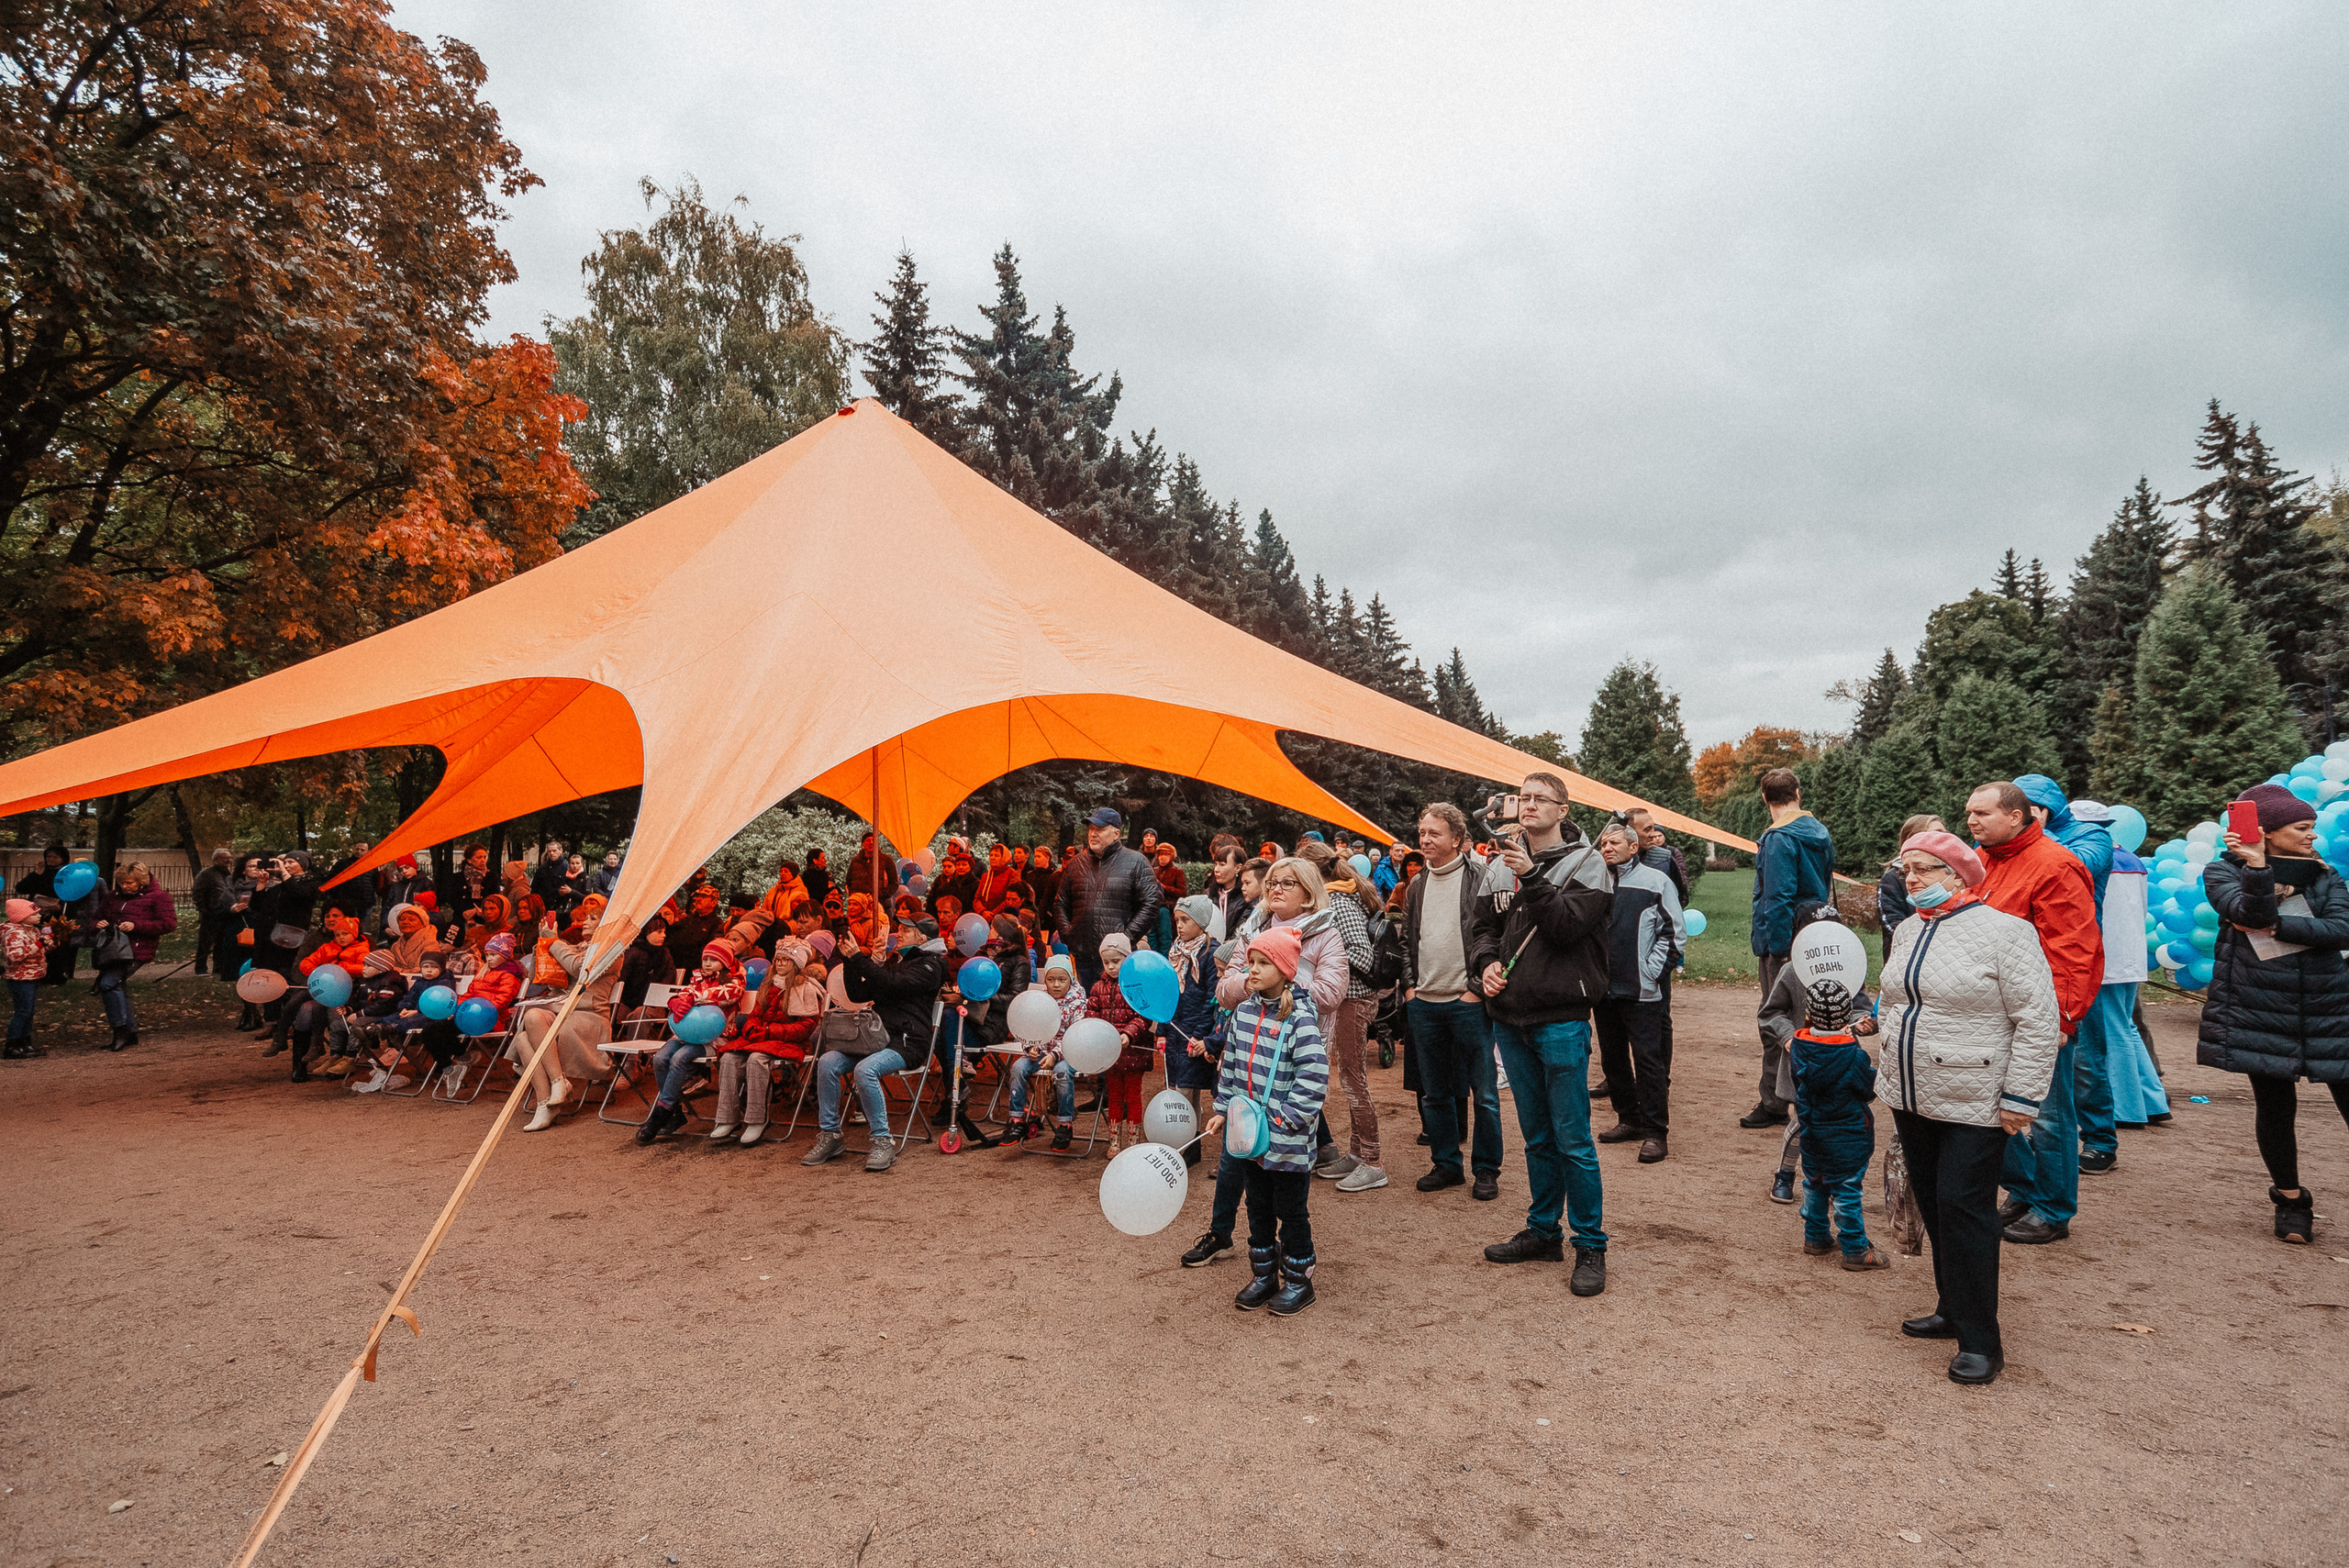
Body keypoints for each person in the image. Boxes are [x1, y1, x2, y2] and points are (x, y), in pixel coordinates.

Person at [1877, 828, 2060, 1385]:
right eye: (1907, 870)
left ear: (1959, 876)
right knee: (1934, 1204)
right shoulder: (1909, 929)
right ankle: (1952, 1308)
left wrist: (2022, 1097)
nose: (1912, 880)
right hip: (1911, 1095)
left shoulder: (2007, 932)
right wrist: (1881, 1040)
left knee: (1965, 1208)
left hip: (1977, 1099)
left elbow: (2037, 1018)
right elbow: (1893, 1000)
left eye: (1925, 870)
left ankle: (1982, 1339)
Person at [1469, 773, 1614, 1297]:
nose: (1528, 806)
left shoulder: (1588, 863)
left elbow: (1565, 928)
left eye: (1539, 799)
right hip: (1509, 1018)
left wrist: (1530, 874)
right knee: (1535, 1137)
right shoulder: (1495, 866)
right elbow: (1482, 927)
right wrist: (1483, 965)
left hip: (1562, 1018)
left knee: (1573, 1139)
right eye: (1522, 797)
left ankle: (1591, 1243)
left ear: (1562, 807)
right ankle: (1543, 1231)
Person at [2203, 783, 2349, 1244]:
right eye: (2303, 828)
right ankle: (2290, 1201)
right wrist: (2258, 868)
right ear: (2267, 832)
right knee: (2275, 1106)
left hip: (2330, 1007)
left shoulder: (2325, 875)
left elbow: (2343, 930)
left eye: (2314, 828)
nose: (2313, 837)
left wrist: (2277, 926)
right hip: (2259, 1008)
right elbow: (2247, 909)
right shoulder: (2221, 870)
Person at [1966, 781, 2102, 1245]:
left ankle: (2053, 1208)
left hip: (2039, 1014)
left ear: (2019, 817)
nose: (1972, 821)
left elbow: (2074, 950)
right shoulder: (1982, 860)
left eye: (1982, 813)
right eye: (1969, 813)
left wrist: (2062, 1019)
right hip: (1988, 1010)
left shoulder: (2056, 866)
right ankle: (2026, 1189)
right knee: (1987, 1107)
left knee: (2047, 1113)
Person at [1201, 926, 1330, 1316]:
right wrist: (1223, 1108)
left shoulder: (1300, 1019)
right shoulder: (1241, 1013)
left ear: (1286, 970)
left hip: (1287, 1139)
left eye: (1263, 963)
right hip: (1249, 1135)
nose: (1252, 971)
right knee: (1256, 1205)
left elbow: (1314, 1076)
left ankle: (1298, 1279)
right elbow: (1231, 1065)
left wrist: (1287, 1118)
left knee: (1291, 1210)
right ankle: (1263, 1275)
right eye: (1251, 963)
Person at [1398, 805, 1506, 1201]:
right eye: (1422, 832)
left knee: (1485, 1093)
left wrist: (1476, 988)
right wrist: (1410, 989)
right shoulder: (1416, 885)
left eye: (1434, 833)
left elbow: (1496, 936)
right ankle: (1446, 1164)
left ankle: (1486, 1170)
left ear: (1457, 839)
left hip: (1468, 1003)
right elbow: (1407, 941)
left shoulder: (1481, 877)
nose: (1425, 840)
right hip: (1424, 1003)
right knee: (1435, 1092)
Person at [804, 911, 948, 1172]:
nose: (898, 933)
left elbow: (894, 985)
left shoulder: (931, 965)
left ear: (922, 936)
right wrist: (850, 960)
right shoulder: (898, 961)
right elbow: (859, 993)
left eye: (904, 930)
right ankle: (831, 1136)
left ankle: (882, 1140)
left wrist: (861, 958)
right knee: (827, 1061)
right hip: (875, 1038)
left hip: (908, 1042)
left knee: (865, 1069)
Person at [1746, 768, 1835, 1129]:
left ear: (1765, 798)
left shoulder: (1779, 837)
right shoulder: (1820, 832)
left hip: (1783, 940)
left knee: (1776, 1018)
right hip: (1815, 931)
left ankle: (1775, 1102)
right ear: (1798, 792)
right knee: (1811, 1015)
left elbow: (1778, 896)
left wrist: (1779, 948)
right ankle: (1812, 1092)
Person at [1787, 965, 1887, 1271]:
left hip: (1812, 1134)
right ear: (1846, 1017)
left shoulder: (1799, 1048)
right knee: (1847, 1192)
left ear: (1810, 1015)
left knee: (1815, 1184)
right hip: (1848, 1137)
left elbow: (1798, 1082)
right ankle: (1855, 1248)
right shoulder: (1854, 1055)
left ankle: (1815, 1237)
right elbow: (1868, 1091)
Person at [1592, 822, 1683, 1162]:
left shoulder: (1656, 882)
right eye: (1603, 843)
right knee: (1613, 1059)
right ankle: (1628, 1119)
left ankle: (1656, 1132)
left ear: (1633, 847)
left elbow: (1673, 934)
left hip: (1642, 991)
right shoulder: (1596, 882)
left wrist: (1651, 972)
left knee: (1648, 1061)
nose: (1607, 848)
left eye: (1614, 842)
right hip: (1603, 990)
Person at [1297, 840, 1386, 1191]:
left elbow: (1362, 957)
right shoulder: (1331, 901)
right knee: (1348, 1078)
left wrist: (1324, 962)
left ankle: (1374, 1161)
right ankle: (1356, 1153)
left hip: (1354, 1001)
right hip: (1342, 1002)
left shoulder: (1339, 903)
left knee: (1353, 1080)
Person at [1757, 902, 1858, 1203]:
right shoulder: (1791, 970)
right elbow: (1771, 1013)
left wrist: (1861, 1025)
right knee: (1803, 1122)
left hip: (1840, 1060)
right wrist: (1788, 1039)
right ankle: (1785, 1175)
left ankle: (1827, 1179)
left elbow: (1863, 1008)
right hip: (1803, 1061)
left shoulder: (1851, 969)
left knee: (1833, 1126)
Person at [511, 906, 623, 1131]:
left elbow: (578, 968)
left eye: (593, 918)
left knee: (528, 1038)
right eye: (585, 917)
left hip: (589, 1017)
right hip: (560, 1012)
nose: (585, 921)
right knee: (529, 1022)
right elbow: (537, 978)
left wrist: (554, 942)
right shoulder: (575, 947)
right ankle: (552, 1090)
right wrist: (542, 945)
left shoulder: (613, 951)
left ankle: (550, 1097)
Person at [707, 939, 824, 1146]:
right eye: (777, 959)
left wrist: (771, 1031)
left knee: (756, 1060)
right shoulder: (768, 984)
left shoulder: (805, 987)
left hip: (789, 1040)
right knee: (729, 1059)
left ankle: (757, 1119)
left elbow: (806, 1026)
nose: (779, 964)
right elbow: (757, 1012)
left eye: (785, 960)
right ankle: (727, 1117)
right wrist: (752, 1026)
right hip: (763, 1037)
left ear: (796, 963)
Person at [635, 941, 745, 1145]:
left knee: (679, 1059)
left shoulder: (735, 982)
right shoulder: (697, 979)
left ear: (725, 963)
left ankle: (662, 1112)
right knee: (660, 1058)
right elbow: (684, 993)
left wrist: (693, 997)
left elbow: (725, 995)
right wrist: (676, 1000)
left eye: (714, 960)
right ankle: (675, 1110)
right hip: (686, 1034)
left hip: (715, 1037)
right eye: (705, 959)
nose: (708, 963)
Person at [1056, 808, 1162, 991]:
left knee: (1118, 1012)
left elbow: (1151, 903)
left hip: (1117, 959)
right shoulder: (1076, 864)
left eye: (1100, 829)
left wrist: (1125, 937)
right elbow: (1061, 903)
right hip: (1083, 956)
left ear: (1116, 833)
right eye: (1091, 829)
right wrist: (1068, 934)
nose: (1093, 834)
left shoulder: (1136, 861)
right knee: (1090, 1010)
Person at [88, 862, 176, 1053]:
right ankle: (129, 1031)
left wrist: (136, 925)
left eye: (130, 883)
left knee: (109, 984)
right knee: (116, 985)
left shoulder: (159, 897)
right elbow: (95, 917)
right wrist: (98, 924)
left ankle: (121, 1031)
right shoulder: (112, 897)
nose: (125, 886)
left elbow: (168, 924)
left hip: (137, 950)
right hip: (112, 949)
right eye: (122, 883)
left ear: (142, 881)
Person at [1163, 895, 1224, 1166]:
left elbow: (1213, 998)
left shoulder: (1210, 954)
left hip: (1194, 1033)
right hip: (1175, 1029)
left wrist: (1201, 1034)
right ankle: (1184, 1139)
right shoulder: (1174, 951)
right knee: (1177, 1087)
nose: (1180, 925)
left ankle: (1190, 1143)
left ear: (1201, 922)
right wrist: (1162, 1031)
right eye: (1177, 920)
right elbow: (1164, 994)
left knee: (1188, 1091)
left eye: (1185, 920)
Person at [1004, 955, 1088, 1147]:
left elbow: (1074, 1034)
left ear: (1071, 979)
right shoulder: (1040, 1000)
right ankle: (1017, 1120)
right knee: (1018, 1068)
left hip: (1069, 1051)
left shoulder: (1078, 1002)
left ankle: (1065, 1124)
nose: (1056, 985)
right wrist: (1031, 1046)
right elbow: (1028, 1027)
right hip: (1042, 1049)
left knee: (1062, 1072)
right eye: (1051, 980)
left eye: (1062, 980)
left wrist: (1055, 1055)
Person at [1089, 933, 1155, 1153]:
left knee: (1133, 1096)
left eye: (1115, 961)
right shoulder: (1098, 987)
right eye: (1106, 962)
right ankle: (1115, 1142)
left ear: (1127, 959)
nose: (1110, 966)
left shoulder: (1135, 985)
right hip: (1110, 1053)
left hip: (1133, 1050)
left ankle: (1133, 1143)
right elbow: (1092, 1014)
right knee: (1114, 1097)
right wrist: (1095, 1034)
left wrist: (1128, 1034)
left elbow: (1144, 1015)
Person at [1877, 814, 1943, 959]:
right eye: (1935, 834)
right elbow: (1892, 925)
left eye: (1944, 834)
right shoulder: (1893, 879)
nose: (1943, 839)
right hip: (1906, 958)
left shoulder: (1948, 873)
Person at [5, 898, 54, 1057]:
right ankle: (12, 1045)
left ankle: (25, 1043)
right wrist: (38, 944)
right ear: (21, 916)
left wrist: (48, 944)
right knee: (23, 1011)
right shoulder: (13, 933)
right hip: (20, 977)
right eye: (34, 914)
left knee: (29, 1011)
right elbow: (15, 955)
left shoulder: (32, 929)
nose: (39, 916)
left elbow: (38, 951)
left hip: (33, 974)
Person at [190, 848, 234, 975]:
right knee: (205, 943)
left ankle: (218, 968)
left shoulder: (228, 875)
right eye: (225, 858)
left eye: (230, 858)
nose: (229, 860)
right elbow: (197, 894)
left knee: (221, 942)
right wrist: (204, 910)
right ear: (216, 860)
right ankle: (200, 968)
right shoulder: (206, 874)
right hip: (211, 914)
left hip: (225, 913)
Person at [974, 843, 1023, 919]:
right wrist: (983, 912)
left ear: (1004, 857)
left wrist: (993, 914)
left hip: (1004, 917)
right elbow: (977, 899)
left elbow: (1011, 899)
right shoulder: (985, 876)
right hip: (983, 917)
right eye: (991, 855)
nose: (992, 858)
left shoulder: (1012, 874)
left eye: (996, 855)